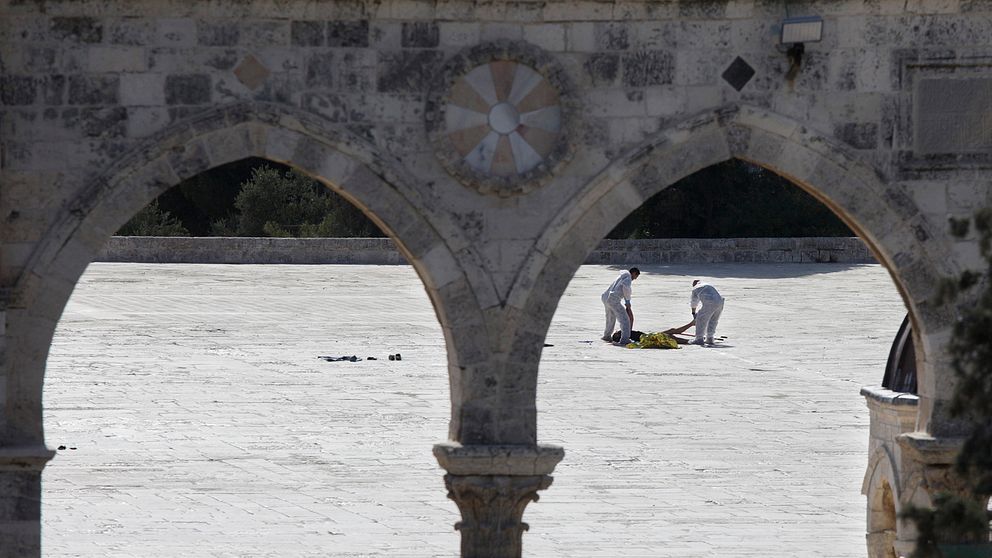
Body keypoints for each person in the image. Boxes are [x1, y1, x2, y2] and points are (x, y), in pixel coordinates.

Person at [602, 268, 640, 345]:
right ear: (634, 273)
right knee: (625, 320)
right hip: (613, 300)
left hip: (606, 298)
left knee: (610, 319)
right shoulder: (628, 278)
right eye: (636, 276)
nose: (635, 279)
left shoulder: (621, 277)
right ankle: (625, 339)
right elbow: (626, 287)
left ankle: (607, 336)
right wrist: (627, 301)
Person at [690, 279, 724, 345]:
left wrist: (693, 312)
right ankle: (710, 338)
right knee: (713, 320)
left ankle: (699, 339)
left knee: (701, 319)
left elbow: (694, 302)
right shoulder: (709, 285)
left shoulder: (696, 288)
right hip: (720, 301)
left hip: (710, 302)